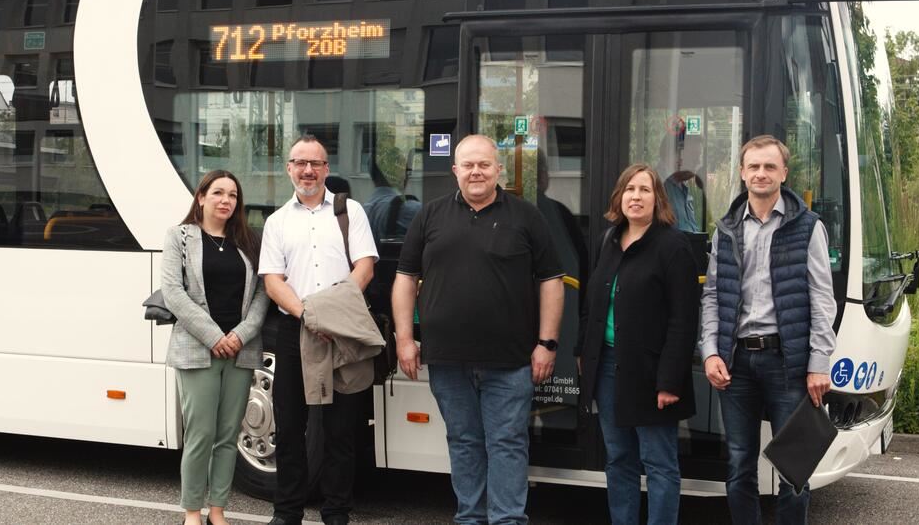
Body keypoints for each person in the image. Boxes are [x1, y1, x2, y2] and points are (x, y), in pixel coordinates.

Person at [392, 134, 565, 525]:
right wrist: (404, 338)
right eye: (468, 165)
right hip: (447, 360)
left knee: (507, 444)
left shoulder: (526, 216)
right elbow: (405, 278)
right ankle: (470, 519)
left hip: (510, 362)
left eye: (484, 164)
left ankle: (506, 520)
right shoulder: (430, 216)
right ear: (455, 170)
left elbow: (551, 281)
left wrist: (547, 343)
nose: (476, 172)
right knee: (464, 442)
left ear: (498, 169)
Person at [700, 135, 836, 524]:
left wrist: (819, 362)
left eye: (770, 166)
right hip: (736, 364)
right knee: (739, 465)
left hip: (787, 364)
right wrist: (710, 351)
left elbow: (822, 298)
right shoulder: (725, 229)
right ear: (742, 173)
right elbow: (712, 295)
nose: (761, 173)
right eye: (754, 166)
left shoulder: (807, 227)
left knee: (795, 471)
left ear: (784, 173)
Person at [259, 134, 379, 525]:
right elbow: (273, 281)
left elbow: (365, 268)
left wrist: (330, 315)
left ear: (326, 169)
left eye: (315, 163)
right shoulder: (277, 222)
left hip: (343, 332)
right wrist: (311, 317)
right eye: (300, 163)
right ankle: (287, 512)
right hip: (294, 333)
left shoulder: (350, 212)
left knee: (341, 430)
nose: (307, 170)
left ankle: (336, 512)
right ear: (289, 169)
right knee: (290, 428)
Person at [576, 163, 699, 525]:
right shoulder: (609, 240)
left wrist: (669, 381)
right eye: (629, 189)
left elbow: (683, 320)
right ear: (619, 197)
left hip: (652, 373)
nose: (636, 196)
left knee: (659, 463)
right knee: (618, 459)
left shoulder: (673, 246)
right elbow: (592, 303)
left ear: (658, 199)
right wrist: (584, 351)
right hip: (607, 367)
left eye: (645, 190)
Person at [161, 169, 269, 525]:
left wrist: (239, 335)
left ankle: (218, 511)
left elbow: (262, 294)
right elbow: (173, 293)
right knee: (200, 434)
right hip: (197, 351)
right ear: (202, 197)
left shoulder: (248, 241)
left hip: (240, 351)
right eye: (218, 193)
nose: (226, 200)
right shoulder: (179, 237)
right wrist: (214, 337)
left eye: (233, 195)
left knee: (227, 437)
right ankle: (192, 512)